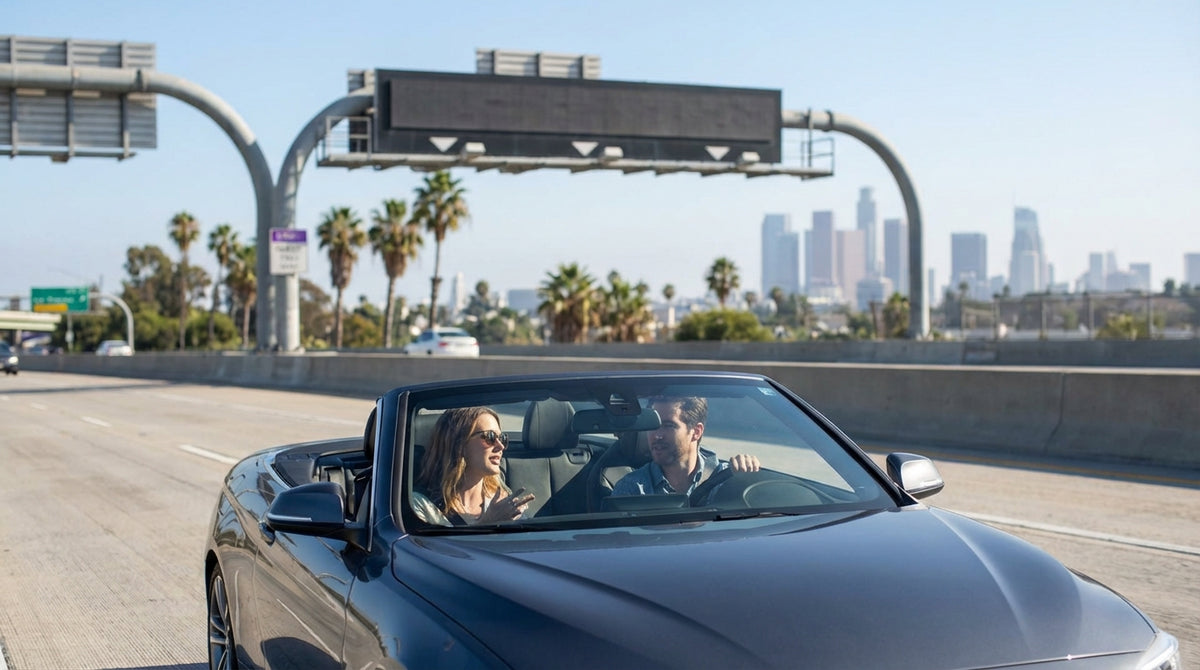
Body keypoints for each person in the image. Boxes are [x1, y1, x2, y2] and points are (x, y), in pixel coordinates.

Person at [611, 396, 760, 498]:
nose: (657, 435)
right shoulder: (632, 489)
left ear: (696, 432)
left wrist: (748, 477)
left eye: (668, 426)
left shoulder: (727, 479)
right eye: (653, 426)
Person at [411, 406, 536, 525]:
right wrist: (489, 523)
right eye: (490, 437)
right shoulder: (421, 504)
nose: (500, 446)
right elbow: (426, 547)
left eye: (502, 438)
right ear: (459, 445)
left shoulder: (501, 498)